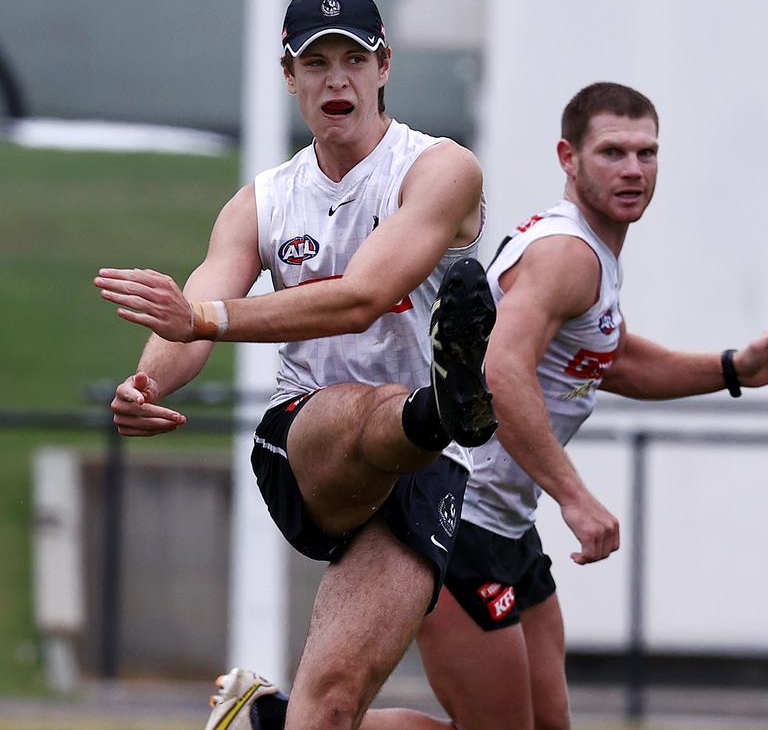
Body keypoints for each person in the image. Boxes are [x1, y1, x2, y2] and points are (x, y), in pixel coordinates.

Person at [209, 81, 768, 730]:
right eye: (613, 152)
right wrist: (575, 496)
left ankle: (269, 718)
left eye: (647, 153)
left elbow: (610, 358)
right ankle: (272, 721)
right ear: (569, 158)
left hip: (510, 526)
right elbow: (500, 369)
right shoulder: (568, 255)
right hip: (464, 518)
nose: (633, 170)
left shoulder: (588, 254)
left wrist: (732, 369)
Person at [94, 0, 498, 730]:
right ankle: (441, 405)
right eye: (316, 62)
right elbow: (194, 305)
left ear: (385, 67)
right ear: (289, 76)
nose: (336, 79)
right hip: (309, 442)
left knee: (334, 705)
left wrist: (204, 319)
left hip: (425, 466)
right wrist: (144, 383)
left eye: (354, 58)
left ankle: (268, 718)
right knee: (366, 410)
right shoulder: (265, 200)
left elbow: (364, 295)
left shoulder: (441, 170)